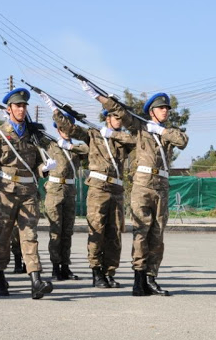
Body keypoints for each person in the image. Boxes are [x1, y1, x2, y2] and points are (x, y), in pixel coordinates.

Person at [85, 85, 188, 296]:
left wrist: (160, 130)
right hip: (142, 186)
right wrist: (99, 97)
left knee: (157, 235)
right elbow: (122, 113)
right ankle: (138, 280)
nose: (165, 111)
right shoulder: (140, 127)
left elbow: (183, 141)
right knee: (141, 232)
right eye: (161, 109)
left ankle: (151, 278)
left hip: (162, 187)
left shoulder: (168, 133)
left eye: (167, 108)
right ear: (152, 111)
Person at [0, 87, 55, 299]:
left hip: (28, 191)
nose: (21, 109)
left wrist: (45, 168)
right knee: (3, 236)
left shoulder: (33, 134)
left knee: (29, 235)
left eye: (24, 106)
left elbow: (38, 165)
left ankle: (35, 280)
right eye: (17, 106)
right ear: (9, 109)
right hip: (5, 192)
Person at [52, 108, 135, 288]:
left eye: (121, 117)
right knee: (97, 230)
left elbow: (134, 140)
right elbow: (71, 129)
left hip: (117, 189)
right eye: (115, 116)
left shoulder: (122, 138)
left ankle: (109, 272)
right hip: (98, 187)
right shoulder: (93, 135)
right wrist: (56, 112)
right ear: (107, 118)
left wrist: (112, 134)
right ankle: (96, 272)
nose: (119, 120)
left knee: (115, 234)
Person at [44, 112, 88, 281]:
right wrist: (44, 166)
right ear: (58, 129)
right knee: (56, 231)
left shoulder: (75, 148)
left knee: (67, 231)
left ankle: (65, 266)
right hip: (54, 190)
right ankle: (55, 268)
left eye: (68, 127)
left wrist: (69, 146)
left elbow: (89, 149)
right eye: (63, 128)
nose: (66, 131)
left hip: (70, 191)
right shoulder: (50, 146)